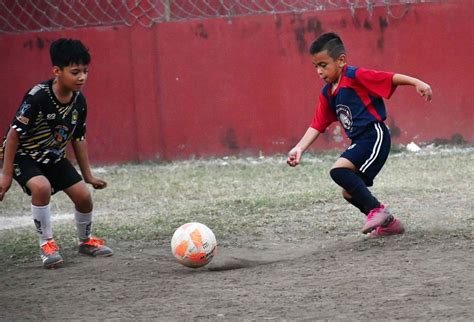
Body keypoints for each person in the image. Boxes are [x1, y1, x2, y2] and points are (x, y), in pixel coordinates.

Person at [287, 32, 432, 237]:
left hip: (374, 135)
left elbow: (389, 78)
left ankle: (377, 211)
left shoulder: (355, 76)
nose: (319, 71)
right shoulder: (327, 93)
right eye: (315, 66)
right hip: (360, 141)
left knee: (338, 172)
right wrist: (299, 147)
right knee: (349, 191)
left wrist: (417, 82)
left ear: (341, 61)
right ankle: (389, 224)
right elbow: (318, 124)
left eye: (323, 65)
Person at [0, 38, 113, 268]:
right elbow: (13, 135)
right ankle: (47, 245)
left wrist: (88, 176)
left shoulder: (79, 101)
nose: (81, 77)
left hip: (53, 158)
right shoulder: (38, 97)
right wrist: (6, 174)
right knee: (41, 188)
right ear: (56, 71)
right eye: (75, 72)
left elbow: (78, 138)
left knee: (83, 196)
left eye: (85, 71)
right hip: (25, 156)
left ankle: (85, 242)